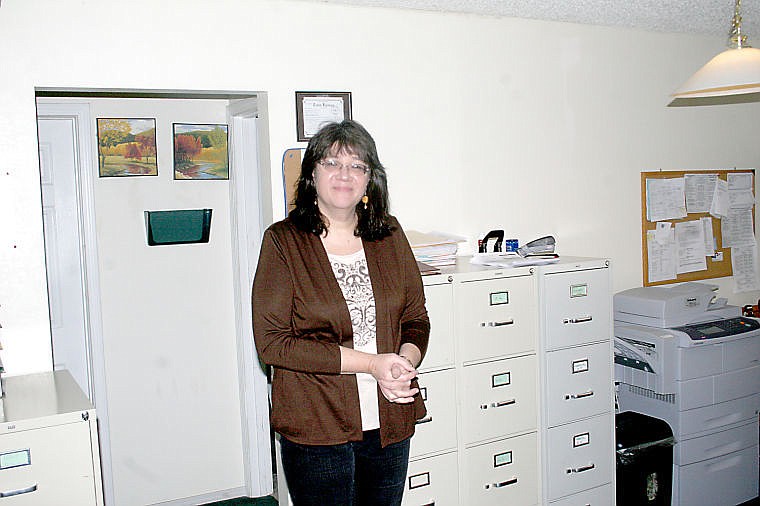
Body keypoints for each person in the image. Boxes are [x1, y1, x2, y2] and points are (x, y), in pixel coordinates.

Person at [252, 120, 430, 506]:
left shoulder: (390, 235)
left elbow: (416, 317)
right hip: (317, 424)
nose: (344, 174)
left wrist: (403, 362)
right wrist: (372, 365)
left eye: (357, 165)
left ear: (370, 180)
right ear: (312, 174)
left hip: (389, 418)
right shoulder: (284, 242)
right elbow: (273, 344)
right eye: (332, 163)